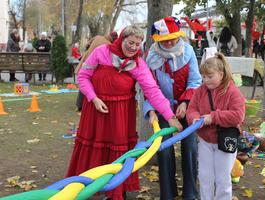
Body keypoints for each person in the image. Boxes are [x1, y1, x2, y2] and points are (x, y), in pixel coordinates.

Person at [66, 25, 183, 200]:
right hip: (96, 110)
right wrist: (94, 98)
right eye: (131, 42)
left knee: (117, 152)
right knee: (94, 148)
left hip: (120, 114)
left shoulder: (138, 64)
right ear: (122, 39)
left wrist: (170, 117)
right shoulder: (101, 52)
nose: (133, 47)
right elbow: (83, 76)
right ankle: (85, 187)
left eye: (138, 44)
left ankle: (114, 191)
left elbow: (153, 91)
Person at [144, 16, 201, 200]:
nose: (168, 44)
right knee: (164, 149)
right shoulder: (151, 56)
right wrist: (151, 110)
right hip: (162, 107)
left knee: (191, 147)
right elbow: (149, 86)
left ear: (178, 36)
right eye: (164, 41)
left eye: (172, 39)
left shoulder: (188, 51)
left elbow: (195, 80)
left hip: (188, 106)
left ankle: (190, 193)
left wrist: (185, 102)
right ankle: (167, 194)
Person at [186, 53, 245, 200]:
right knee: (205, 177)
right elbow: (191, 109)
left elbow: (238, 115)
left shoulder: (233, 92)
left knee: (222, 178)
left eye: (210, 76)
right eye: (203, 77)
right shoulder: (200, 91)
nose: (206, 80)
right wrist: (194, 119)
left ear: (221, 73)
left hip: (224, 141)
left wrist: (214, 117)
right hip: (205, 140)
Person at [74, 32, 118, 111]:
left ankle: (79, 105)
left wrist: (89, 48)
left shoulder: (97, 37)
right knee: (87, 82)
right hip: (94, 64)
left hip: (86, 59)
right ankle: (83, 104)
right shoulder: (108, 44)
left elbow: (87, 44)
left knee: (83, 83)